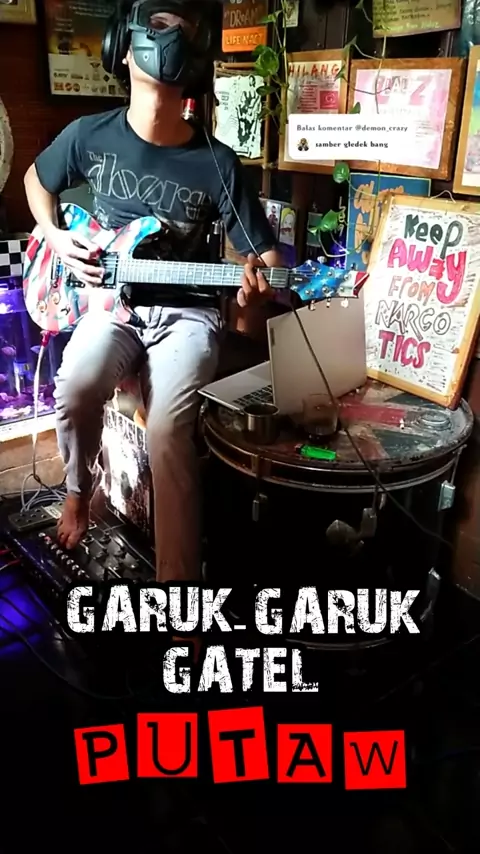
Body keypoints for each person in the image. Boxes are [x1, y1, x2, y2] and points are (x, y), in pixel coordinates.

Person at [23, 0, 282, 585]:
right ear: (124, 46)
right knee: (75, 385)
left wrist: (257, 288)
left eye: (183, 32)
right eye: (159, 25)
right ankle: (78, 492)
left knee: (167, 431)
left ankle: (177, 587)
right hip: (110, 306)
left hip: (187, 313)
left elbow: (264, 258)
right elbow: (37, 180)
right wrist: (55, 235)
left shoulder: (217, 162)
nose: (170, 39)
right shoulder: (89, 135)